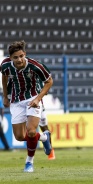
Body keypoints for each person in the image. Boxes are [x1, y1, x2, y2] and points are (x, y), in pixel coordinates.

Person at [1, 40, 53, 172]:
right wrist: (5, 96)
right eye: (15, 57)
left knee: (30, 131)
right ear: (10, 58)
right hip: (16, 100)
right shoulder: (5, 65)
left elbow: (49, 81)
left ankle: (29, 162)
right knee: (19, 136)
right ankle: (44, 137)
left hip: (32, 98)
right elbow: (4, 76)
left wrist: (38, 98)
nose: (19, 60)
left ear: (25, 54)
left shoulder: (36, 66)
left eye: (21, 56)